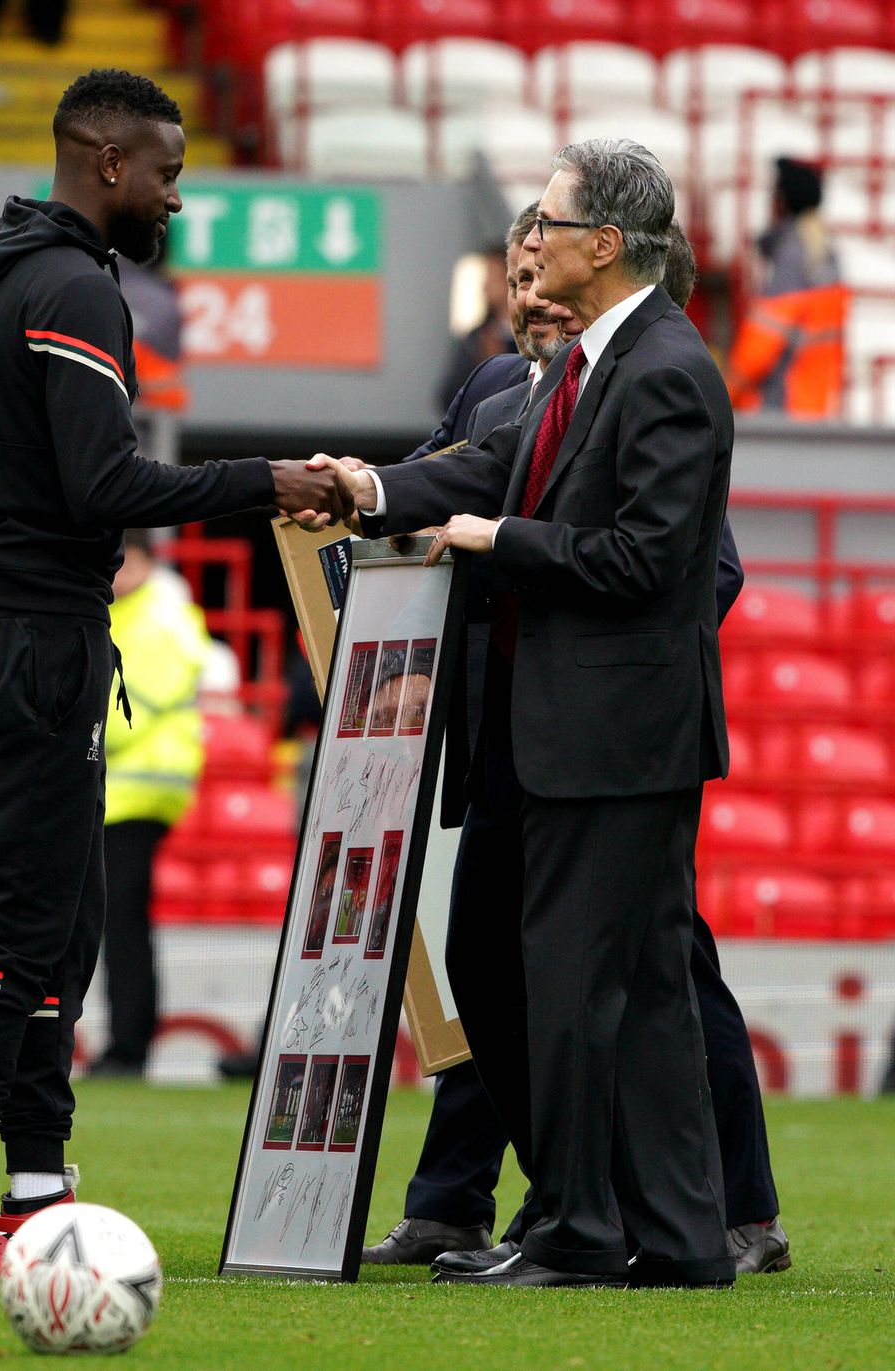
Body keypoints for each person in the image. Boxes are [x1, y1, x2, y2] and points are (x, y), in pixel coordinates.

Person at [0, 68, 349, 1261]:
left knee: (65, 914)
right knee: (28, 913)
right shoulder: (79, 291)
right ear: (108, 165)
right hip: (38, 626)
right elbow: (106, 489)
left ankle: (34, 1179)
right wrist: (265, 480)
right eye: (170, 173)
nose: (178, 199)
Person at [322, 138, 737, 1288]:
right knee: (640, 993)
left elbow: (646, 560)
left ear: (605, 245)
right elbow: (487, 467)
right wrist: (373, 490)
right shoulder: (592, 363)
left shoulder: (663, 369)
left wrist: (496, 542)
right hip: (588, 733)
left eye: (550, 223)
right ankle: (683, 1242)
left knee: (578, 984)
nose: (533, 241)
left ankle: (585, 1232)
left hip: (613, 739)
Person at [88, 529, 212, 1078]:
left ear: (138, 560)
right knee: (120, 920)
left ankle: (128, 1047)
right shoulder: (147, 613)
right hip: (133, 792)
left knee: (121, 921)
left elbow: (123, 714)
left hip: (135, 791)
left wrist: (69, 731)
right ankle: (127, 1043)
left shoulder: (158, 619)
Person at [725, 156, 846, 418]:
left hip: (778, 410)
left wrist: (722, 395)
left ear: (781, 201)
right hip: (816, 411)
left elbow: (760, 348)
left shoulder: (792, 257)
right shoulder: (827, 257)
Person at [436, 241, 519, 414]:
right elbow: (448, 398)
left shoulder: (537, 336)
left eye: (492, 276)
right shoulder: (475, 338)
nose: (484, 287)